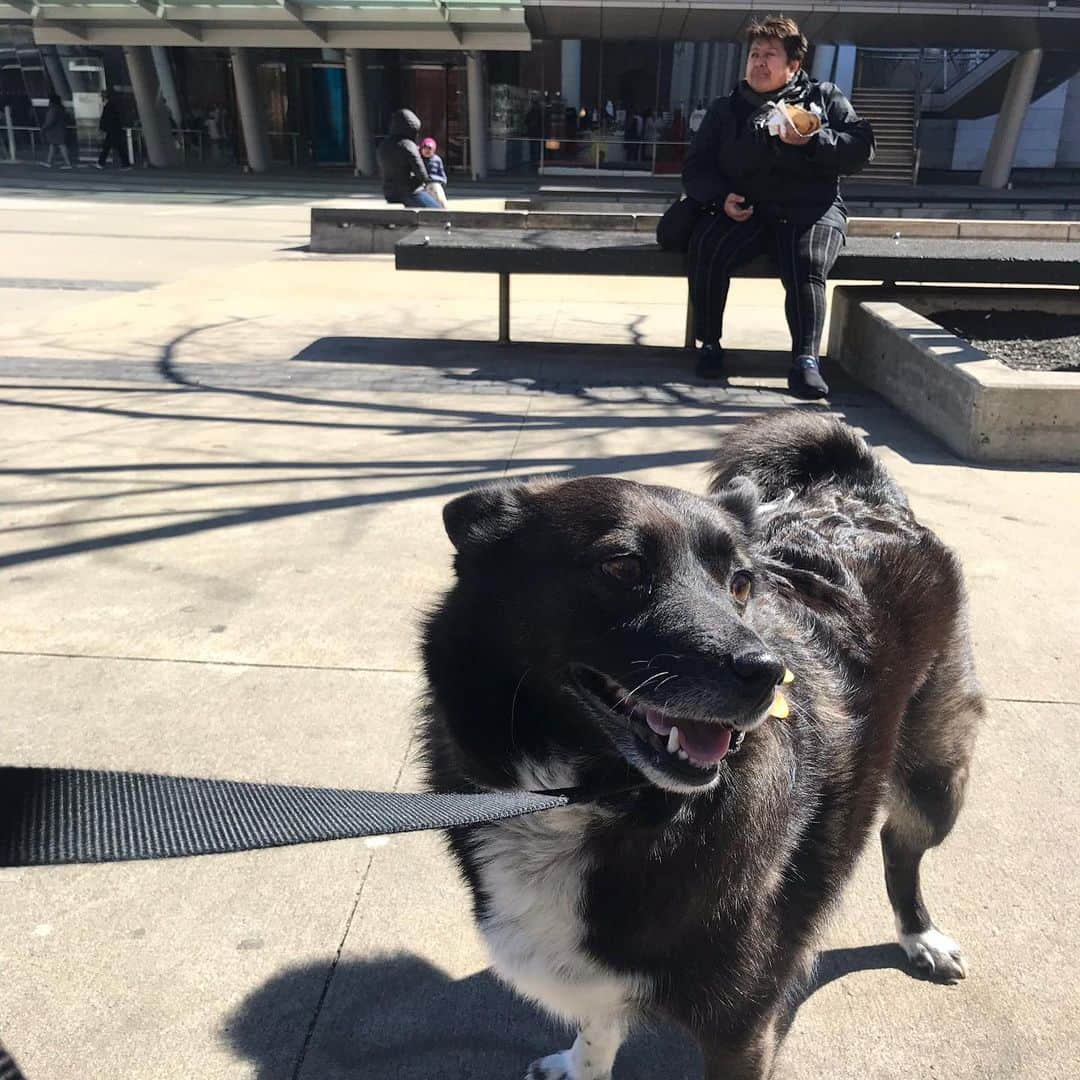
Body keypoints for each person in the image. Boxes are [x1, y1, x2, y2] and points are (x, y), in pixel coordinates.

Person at [683, 14, 874, 397]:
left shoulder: (824, 97)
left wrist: (813, 141)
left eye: (770, 55)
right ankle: (710, 344)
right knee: (707, 246)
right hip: (749, 207)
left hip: (811, 208)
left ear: (793, 65)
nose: (759, 62)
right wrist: (722, 198)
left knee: (806, 262)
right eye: (754, 54)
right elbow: (695, 168)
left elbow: (861, 148)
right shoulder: (726, 109)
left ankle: (805, 361)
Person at [377, 109, 437, 208]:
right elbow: (421, 174)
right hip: (410, 192)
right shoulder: (408, 145)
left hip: (389, 192)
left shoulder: (383, 145)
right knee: (438, 213)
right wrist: (427, 181)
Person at [95, 90, 129, 170]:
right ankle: (126, 164)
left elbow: (107, 119)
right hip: (115, 130)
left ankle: (101, 163)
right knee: (118, 148)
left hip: (112, 130)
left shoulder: (109, 106)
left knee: (107, 148)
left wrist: (103, 128)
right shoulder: (112, 105)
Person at [40, 94, 72, 169]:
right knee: (54, 145)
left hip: (55, 131)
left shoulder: (53, 109)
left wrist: (43, 128)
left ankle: (68, 163)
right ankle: (48, 161)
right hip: (60, 130)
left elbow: (50, 121)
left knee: (60, 145)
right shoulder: (60, 108)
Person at [419, 136, 449, 208]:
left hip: (434, 184)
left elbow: (443, 177)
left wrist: (434, 179)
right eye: (425, 148)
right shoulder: (418, 159)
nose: (427, 151)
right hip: (421, 185)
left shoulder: (437, 160)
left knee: (435, 187)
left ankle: (444, 213)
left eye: (429, 149)